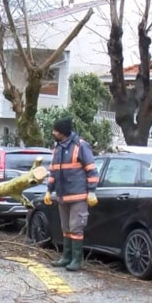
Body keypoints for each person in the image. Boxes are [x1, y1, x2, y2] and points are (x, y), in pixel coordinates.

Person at [44, 117, 99, 272]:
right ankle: (66, 257)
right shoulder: (58, 148)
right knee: (66, 228)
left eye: (55, 130)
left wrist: (92, 191)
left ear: (63, 132)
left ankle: (76, 260)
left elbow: (91, 170)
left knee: (76, 228)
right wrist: (49, 190)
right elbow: (53, 171)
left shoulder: (80, 146)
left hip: (78, 196)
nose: (53, 133)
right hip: (63, 196)